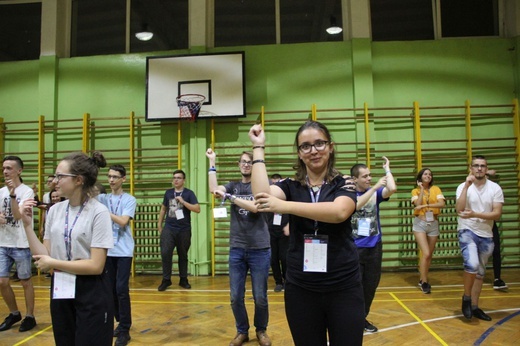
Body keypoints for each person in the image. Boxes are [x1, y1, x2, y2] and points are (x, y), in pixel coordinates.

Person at [248, 121, 364, 346]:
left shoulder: (345, 183)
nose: (314, 150)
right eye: (306, 146)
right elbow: (261, 194)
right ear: (300, 154)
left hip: (343, 287)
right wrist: (258, 148)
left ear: (330, 147)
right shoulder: (290, 185)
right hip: (301, 289)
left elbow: (339, 212)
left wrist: (285, 206)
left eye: (319, 143)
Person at [20, 151, 114, 345]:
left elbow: (96, 265)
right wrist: (27, 225)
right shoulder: (54, 211)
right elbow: (44, 255)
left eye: (60, 176)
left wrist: (54, 263)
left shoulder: (99, 212)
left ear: (78, 180)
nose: (55, 181)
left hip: (91, 289)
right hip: (61, 287)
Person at [206, 149, 271, 346]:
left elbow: (256, 207)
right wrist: (212, 162)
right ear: (238, 165)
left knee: (260, 296)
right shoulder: (233, 185)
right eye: (243, 162)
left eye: (250, 162)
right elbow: (214, 190)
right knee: (235, 296)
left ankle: (261, 330)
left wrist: (231, 198)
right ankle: (242, 331)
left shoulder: (260, 186)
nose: (246, 165)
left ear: (254, 165)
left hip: (260, 248)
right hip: (237, 248)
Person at [350, 157, 397, 333]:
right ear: (355, 179)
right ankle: (351, 319)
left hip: (374, 246)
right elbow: (355, 206)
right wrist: (376, 187)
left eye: (370, 176)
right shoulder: (348, 195)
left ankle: (361, 318)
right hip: (354, 248)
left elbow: (392, 188)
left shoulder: (375, 193)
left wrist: (387, 169)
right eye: (365, 176)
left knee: (370, 285)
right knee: (354, 286)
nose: (369, 179)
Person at [456, 155, 503, 321]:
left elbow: (496, 214)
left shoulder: (495, 188)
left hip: (486, 233)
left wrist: (475, 214)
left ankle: (475, 306)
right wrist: (466, 187)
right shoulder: (463, 186)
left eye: (482, 166)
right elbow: (459, 209)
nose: (479, 168)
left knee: (480, 272)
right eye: (476, 165)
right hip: (467, 230)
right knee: (472, 264)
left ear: (486, 168)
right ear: (471, 168)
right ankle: (466, 298)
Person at [97, 164, 137, 346]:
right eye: (109, 176)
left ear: (123, 179)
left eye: (115, 177)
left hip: (123, 250)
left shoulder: (129, 199)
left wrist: (106, 212)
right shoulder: (102, 198)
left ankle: (125, 328)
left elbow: (122, 222)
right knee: (110, 290)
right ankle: (119, 322)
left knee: (121, 289)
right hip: (106, 250)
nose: (111, 180)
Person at [0, 155, 37, 332]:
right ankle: (14, 313)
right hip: (3, 241)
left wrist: (13, 195)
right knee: (2, 281)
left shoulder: (27, 192)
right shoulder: (0, 192)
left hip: (21, 243)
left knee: (25, 281)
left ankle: (30, 316)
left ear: (19, 170)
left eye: (9, 168)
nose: (5, 171)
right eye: (4, 168)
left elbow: (17, 215)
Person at [157, 169, 200, 291]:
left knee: (183, 254)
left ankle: (183, 279)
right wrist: (159, 224)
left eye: (179, 178)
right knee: (165, 253)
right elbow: (163, 209)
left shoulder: (189, 193)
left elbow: (197, 209)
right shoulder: (168, 193)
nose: (176, 180)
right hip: (169, 228)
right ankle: (166, 279)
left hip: (184, 229)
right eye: (174, 177)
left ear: (184, 180)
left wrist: (183, 202)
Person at [411, 168, 445, 294]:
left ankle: (422, 278)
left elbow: (441, 204)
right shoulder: (414, 191)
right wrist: (420, 190)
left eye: (430, 174)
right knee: (425, 253)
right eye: (425, 174)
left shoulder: (436, 189)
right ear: (420, 177)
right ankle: (424, 282)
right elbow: (417, 204)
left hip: (433, 223)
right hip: (420, 223)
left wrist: (426, 206)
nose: (428, 176)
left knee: (429, 255)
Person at [485, 169, 507, 290]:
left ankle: (497, 278)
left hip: (490, 223)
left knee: (496, 250)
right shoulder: (470, 186)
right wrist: (487, 172)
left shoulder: (493, 189)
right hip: (476, 225)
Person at [268, 173, 289, 292]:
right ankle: (278, 282)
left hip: (283, 232)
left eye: (277, 183)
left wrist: (289, 225)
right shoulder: (268, 199)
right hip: (271, 231)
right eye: (273, 183)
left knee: (284, 257)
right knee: (273, 259)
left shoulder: (286, 198)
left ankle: (287, 280)